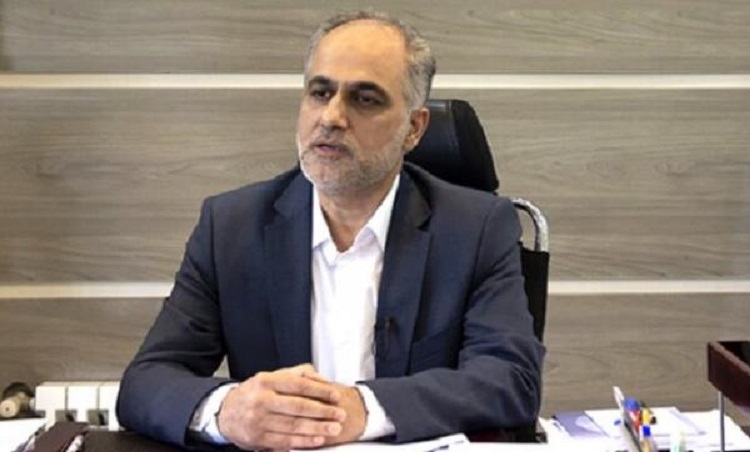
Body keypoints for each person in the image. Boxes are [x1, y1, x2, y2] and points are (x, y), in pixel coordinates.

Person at [116, 10, 544, 451]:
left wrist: (366, 409)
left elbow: (511, 379)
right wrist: (226, 411)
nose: (332, 117)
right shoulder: (231, 226)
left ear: (414, 129)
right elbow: (145, 382)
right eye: (320, 93)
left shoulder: (474, 228)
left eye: (365, 99)